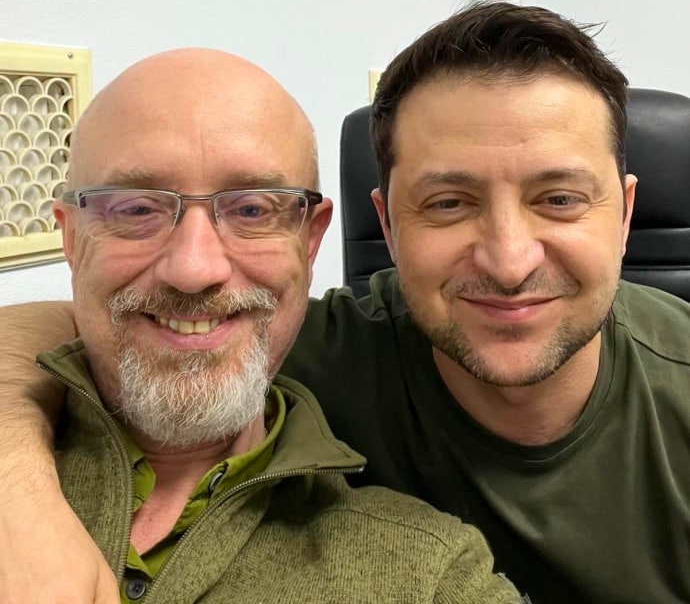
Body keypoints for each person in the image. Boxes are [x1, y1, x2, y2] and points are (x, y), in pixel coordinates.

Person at [3, 0, 690, 602]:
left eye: (560, 199)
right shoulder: (301, 347)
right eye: (448, 204)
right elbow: (73, 327)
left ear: (625, 215)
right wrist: (21, 503)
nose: (510, 262)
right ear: (386, 225)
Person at [0, 47, 522, 604]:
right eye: (136, 209)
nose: (194, 269)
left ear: (310, 240)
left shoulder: (429, 573)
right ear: (72, 238)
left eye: (251, 210)